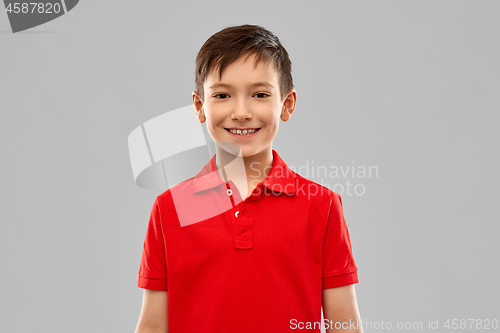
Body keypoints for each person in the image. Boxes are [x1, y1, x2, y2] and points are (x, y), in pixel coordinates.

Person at [135, 24, 363, 333]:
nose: (241, 112)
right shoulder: (169, 209)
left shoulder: (321, 206)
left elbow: (344, 325)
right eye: (223, 95)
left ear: (287, 103)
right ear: (200, 106)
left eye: (259, 94)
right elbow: (153, 327)